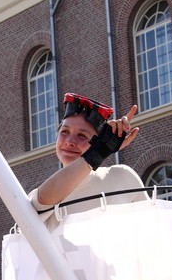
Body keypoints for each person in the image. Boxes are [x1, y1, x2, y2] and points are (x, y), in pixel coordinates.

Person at [28, 93, 143, 231]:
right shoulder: (47, 191)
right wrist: (97, 154)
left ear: (97, 142)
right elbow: (40, 202)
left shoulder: (123, 177)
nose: (69, 142)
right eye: (64, 132)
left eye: (82, 135)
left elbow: (155, 235)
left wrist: (99, 151)